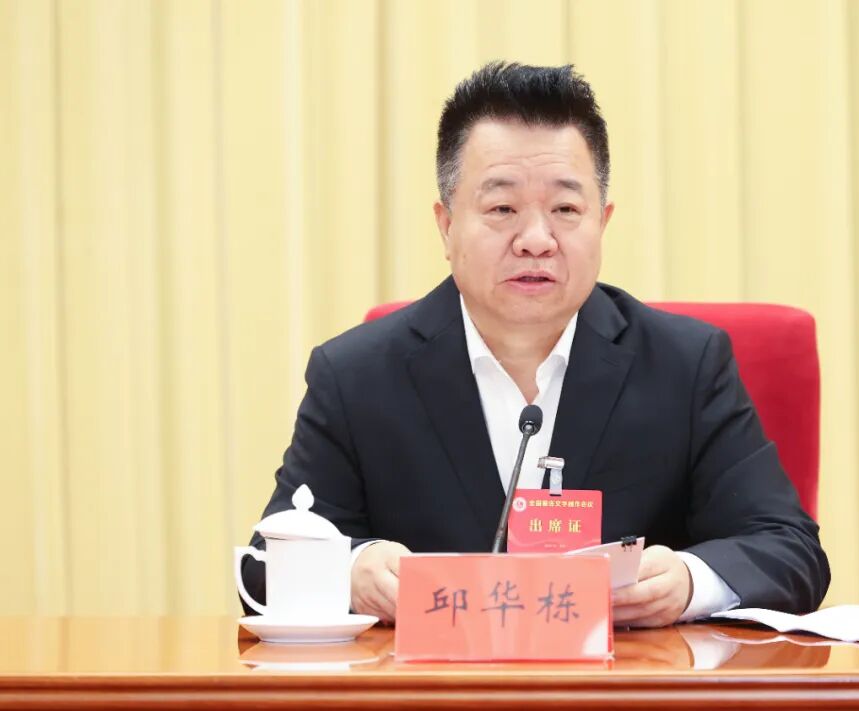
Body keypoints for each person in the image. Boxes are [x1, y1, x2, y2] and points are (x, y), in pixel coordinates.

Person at [241, 62, 829, 627]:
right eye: (502, 208)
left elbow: (790, 550)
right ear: (446, 226)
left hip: (625, 680)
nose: (536, 239)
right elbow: (264, 566)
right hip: (433, 683)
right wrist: (353, 570)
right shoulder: (357, 375)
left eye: (566, 209)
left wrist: (689, 581)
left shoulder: (686, 366)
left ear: (602, 222)